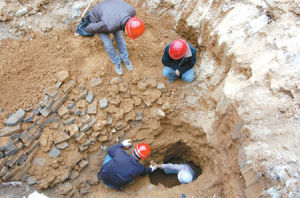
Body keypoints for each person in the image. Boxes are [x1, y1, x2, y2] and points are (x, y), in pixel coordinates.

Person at [85, 0, 145, 75]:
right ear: (126, 29)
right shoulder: (108, 26)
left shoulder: (132, 11)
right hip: (98, 18)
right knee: (108, 44)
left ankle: (125, 58)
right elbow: (93, 28)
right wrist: (86, 28)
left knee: (120, 39)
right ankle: (117, 61)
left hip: (111, 12)